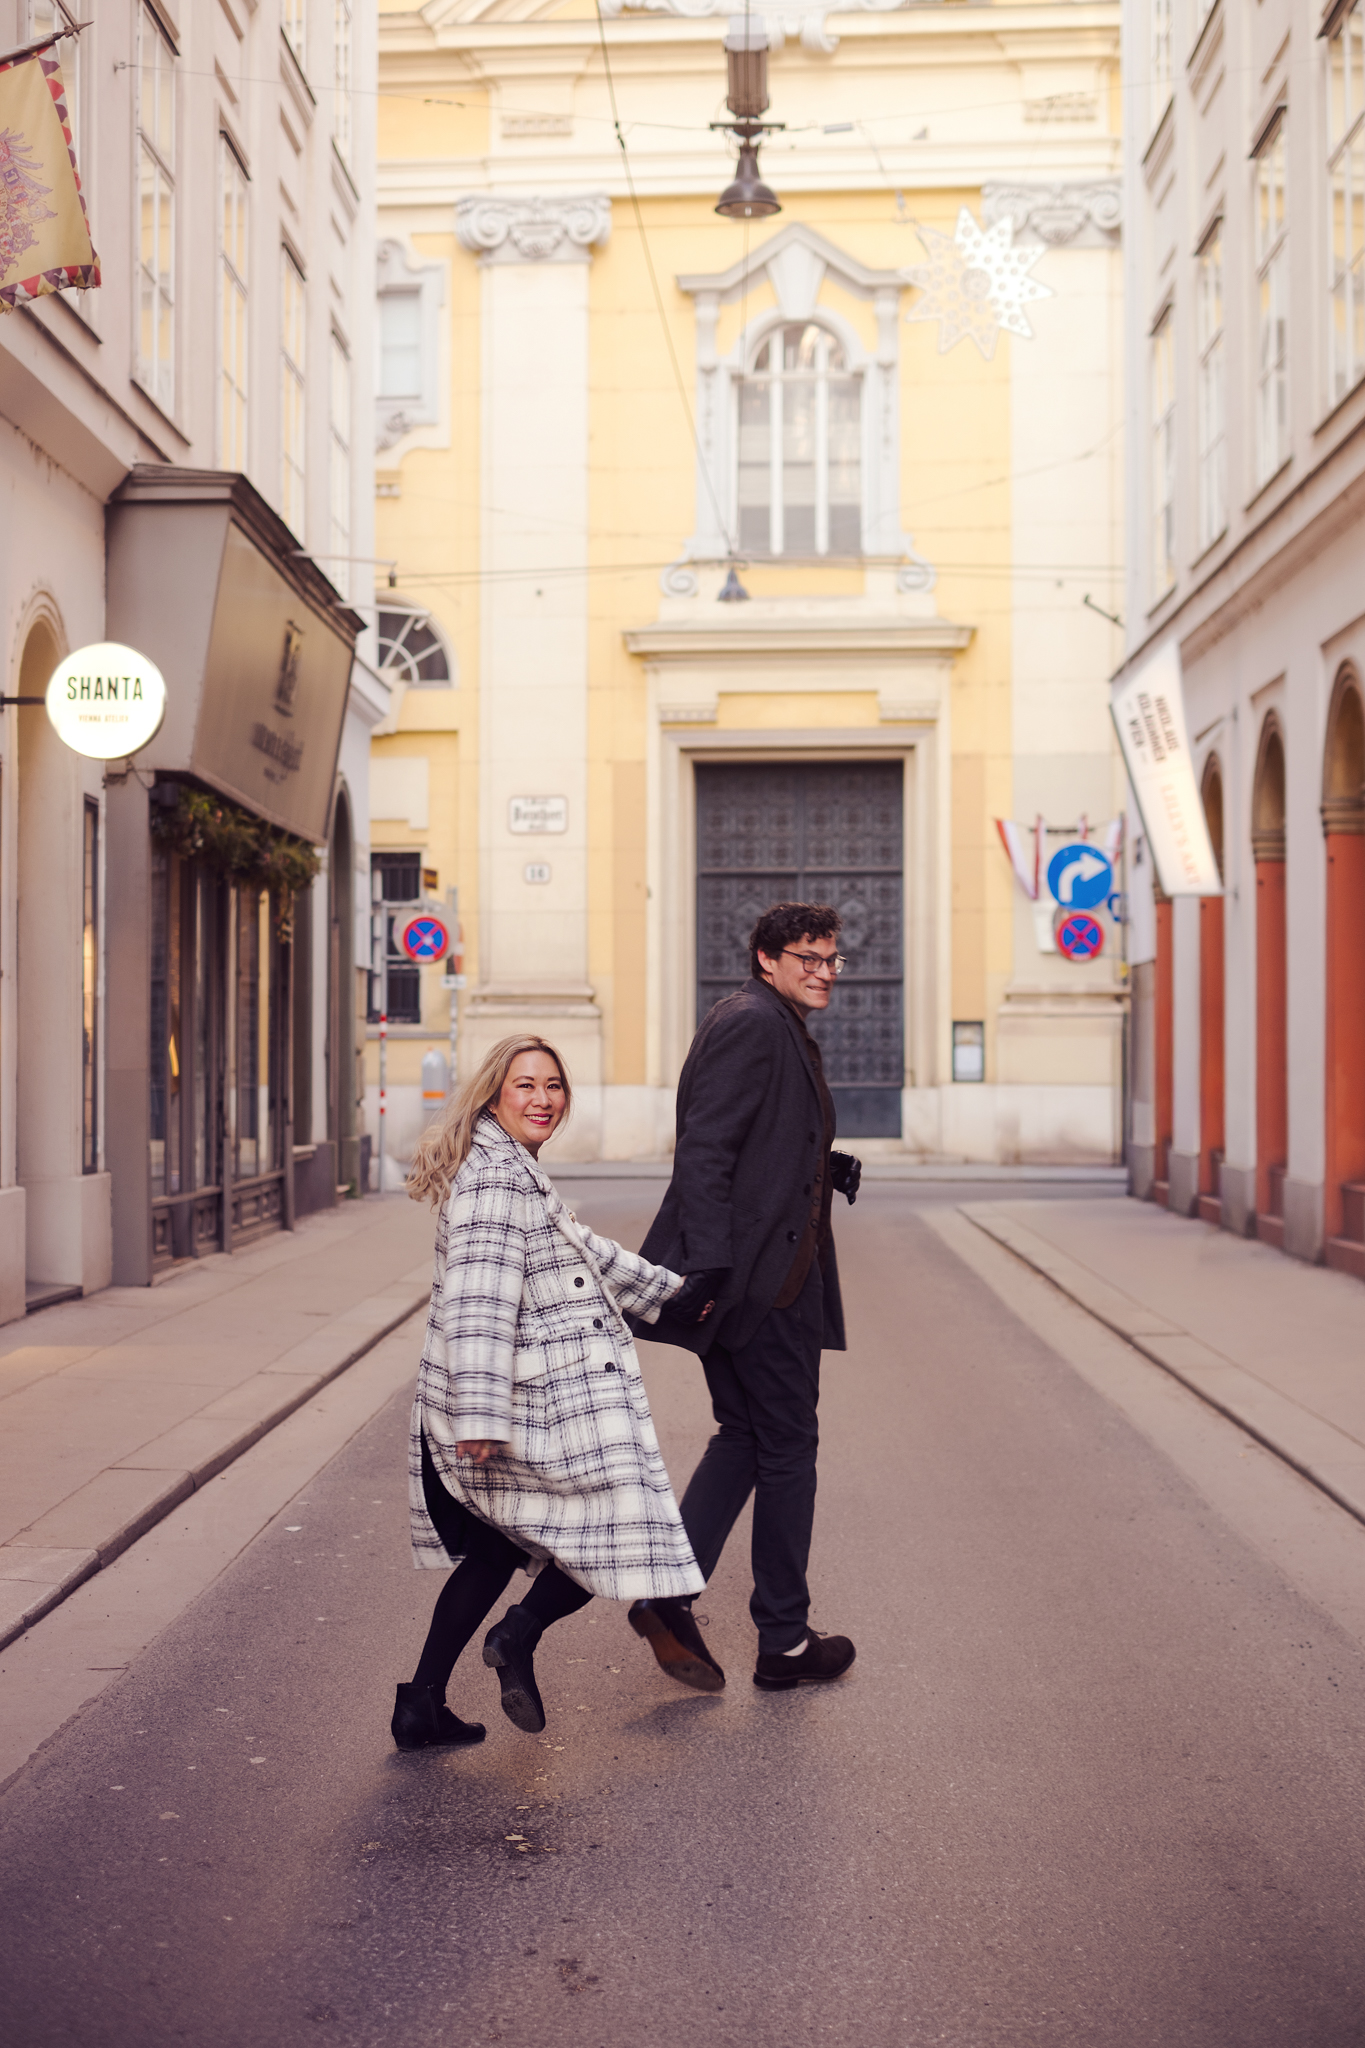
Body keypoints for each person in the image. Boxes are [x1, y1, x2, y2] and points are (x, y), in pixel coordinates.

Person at [392, 1033, 719, 1752]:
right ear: (493, 1095)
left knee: (496, 1551)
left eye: (553, 1086)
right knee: (608, 1524)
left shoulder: (513, 1169)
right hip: (515, 1407)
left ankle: (421, 1705)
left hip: (523, 1400)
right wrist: (480, 1416)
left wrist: (670, 1294)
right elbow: (477, 1299)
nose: (543, 1100)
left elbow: (582, 1248)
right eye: (525, 1086)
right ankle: (518, 1633)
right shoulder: (495, 1179)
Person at [627, 903, 863, 1695]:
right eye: (809, 958)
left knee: (745, 1435)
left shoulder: (776, 1021)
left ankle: (667, 1590)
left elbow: (759, 1145)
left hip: (757, 1272)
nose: (824, 971)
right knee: (789, 1445)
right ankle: (784, 1639)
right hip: (764, 1285)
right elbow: (703, 1146)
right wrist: (715, 1268)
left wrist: (823, 1170)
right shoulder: (752, 1023)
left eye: (832, 959)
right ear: (767, 958)